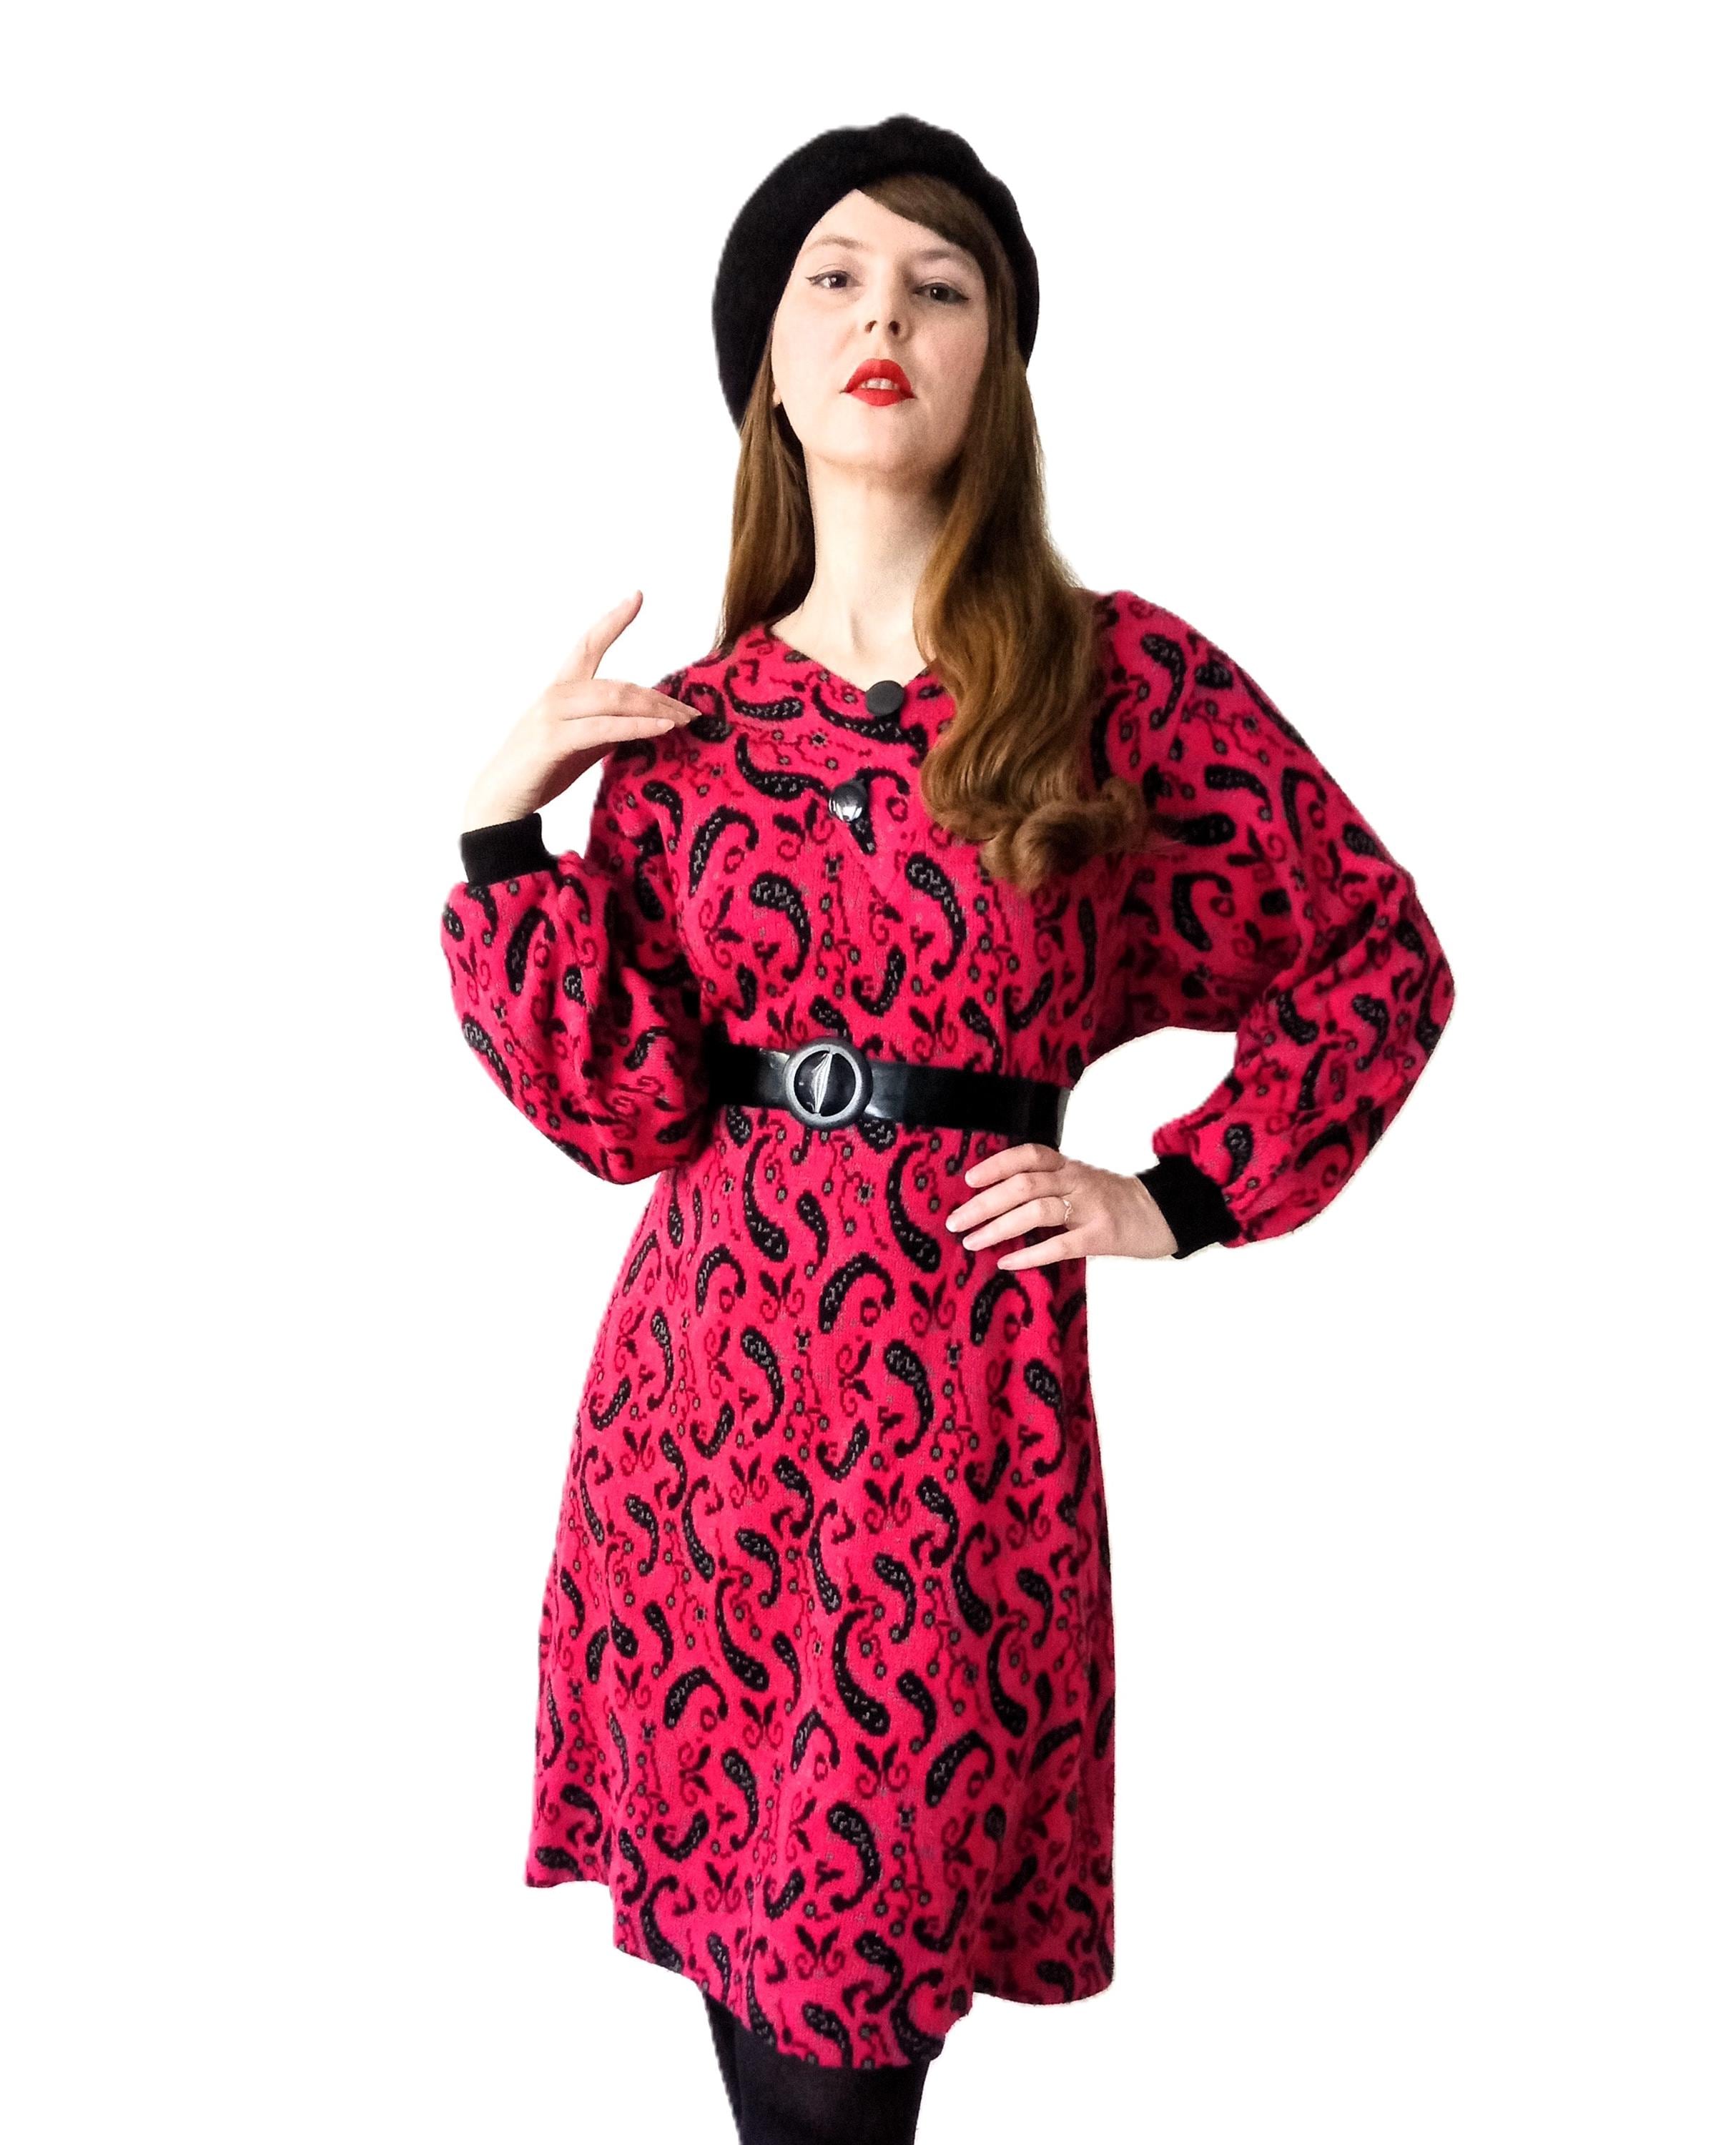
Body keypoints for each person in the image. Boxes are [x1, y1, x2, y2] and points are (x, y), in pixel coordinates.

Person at [438, 114, 1456, 2145]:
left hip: (955, 1428)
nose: (881, 318)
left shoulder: (1115, 682)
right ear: (765, 357)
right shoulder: (686, 734)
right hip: (700, 1421)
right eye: (830, 279)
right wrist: (499, 833)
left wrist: (1179, 1195)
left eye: (938, 284)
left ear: (998, 359)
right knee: (759, 2000)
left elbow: (1373, 956)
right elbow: (621, 1113)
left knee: (847, 2007)